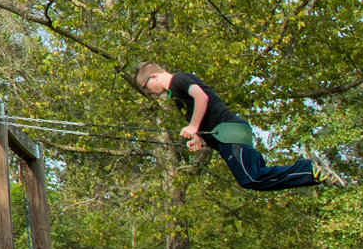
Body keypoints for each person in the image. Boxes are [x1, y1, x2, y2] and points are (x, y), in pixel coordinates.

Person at [136, 62, 318, 191]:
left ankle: (310, 170)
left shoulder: (179, 80)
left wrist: (192, 126)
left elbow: (202, 98)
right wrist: (198, 136)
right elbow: (204, 111)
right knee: (255, 176)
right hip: (226, 137)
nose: (147, 92)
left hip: (229, 135)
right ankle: (311, 172)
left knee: (251, 178)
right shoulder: (175, 93)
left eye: (145, 86)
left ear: (154, 76)